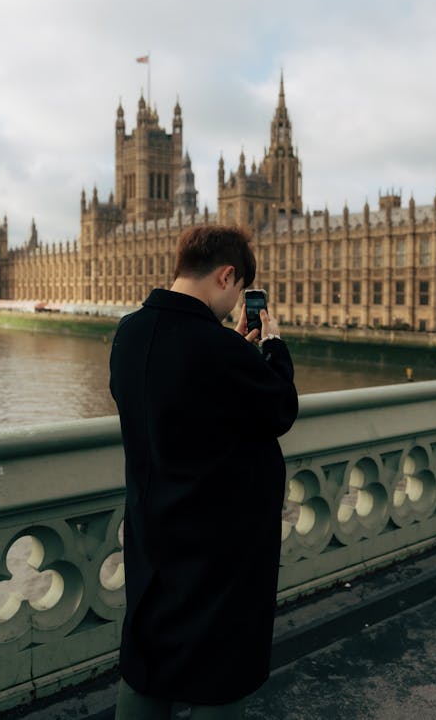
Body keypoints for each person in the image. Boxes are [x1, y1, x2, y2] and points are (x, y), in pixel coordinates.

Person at [110, 224, 299, 719]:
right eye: (239, 293)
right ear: (228, 276)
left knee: (147, 659)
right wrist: (272, 348)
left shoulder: (129, 333)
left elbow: (176, 402)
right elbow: (279, 409)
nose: (237, 306)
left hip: (152, 528)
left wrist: (231, 350)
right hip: (218, 543)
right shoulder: (219, 349)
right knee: (219, 673)